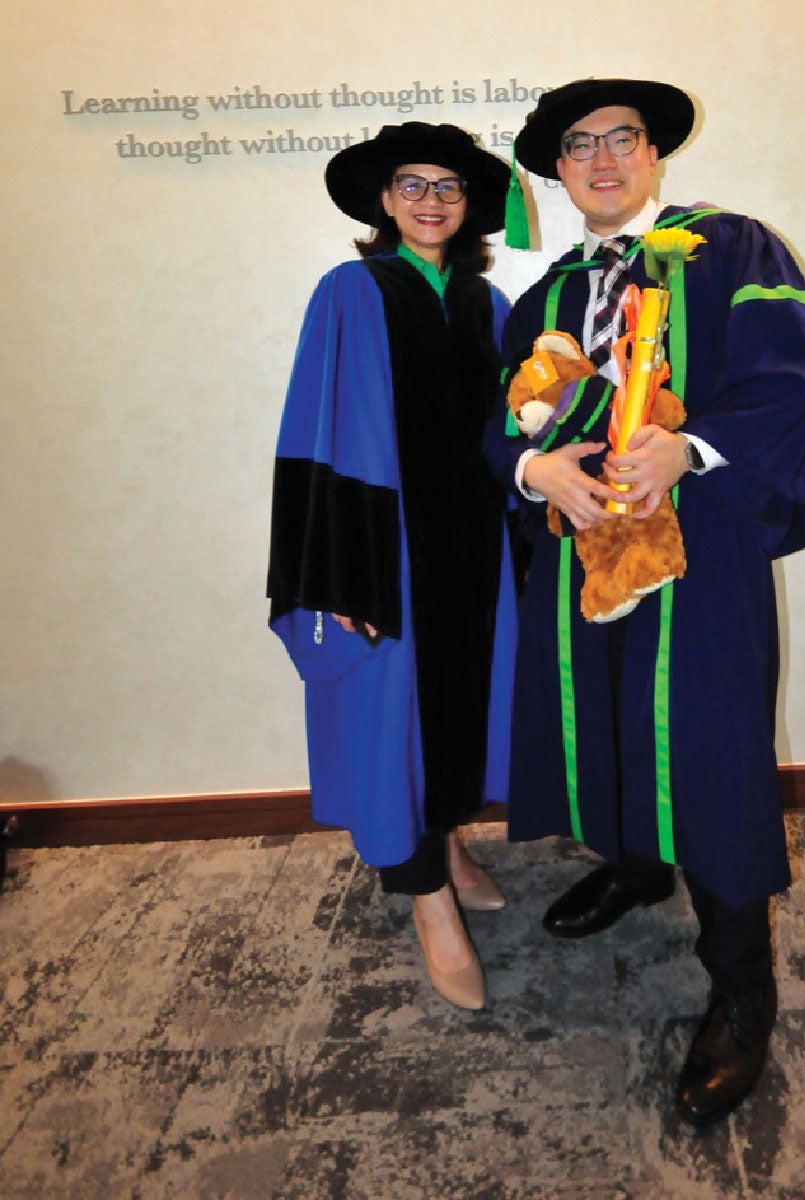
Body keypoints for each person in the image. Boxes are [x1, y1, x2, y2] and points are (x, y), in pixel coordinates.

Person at [483, 79, 805, 1123]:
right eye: (576, 146)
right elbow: (497, 423)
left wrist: (687, 446)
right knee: (598, 717)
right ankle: (637, 866)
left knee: (711, 745)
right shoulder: (541, 296)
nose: (600, 160)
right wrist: (527, 470)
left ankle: (741, 983)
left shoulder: (731, 249)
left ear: (653, 154)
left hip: (700, 550)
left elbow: (786, 378)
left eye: (620, 140)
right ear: (555, 171)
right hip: (576, 556)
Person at [268, 122, 518, 1012]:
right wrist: (339, 574)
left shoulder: (485, 305)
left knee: (459, 704)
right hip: (390, 551)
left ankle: (445, 838)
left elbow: (506, 433)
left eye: (446, 187)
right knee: (390, 716)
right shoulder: (352, 290)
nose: (428, 201)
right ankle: (425, 898)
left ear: (467, 206)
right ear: (382, 201)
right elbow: (315, 435)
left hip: (474, 550)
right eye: (410, 186)